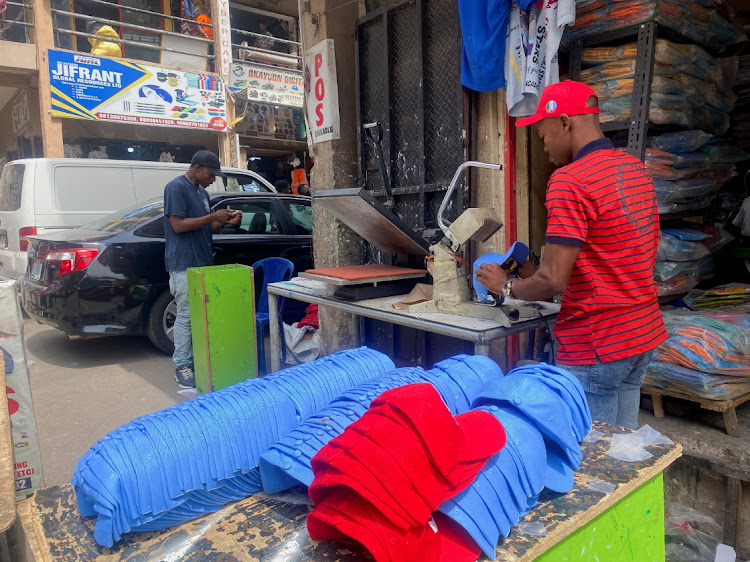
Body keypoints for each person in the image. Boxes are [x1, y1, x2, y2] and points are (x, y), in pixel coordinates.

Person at [474, 80, 668, 429]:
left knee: (590, 461)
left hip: (597, 344)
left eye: (544, 134)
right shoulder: (635, 170)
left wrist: (506, 287)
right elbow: (620, 251)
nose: (544, 146)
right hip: (641, 334)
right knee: (619, 451)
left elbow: (552, 281)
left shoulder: (570, 180)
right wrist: (535, 270)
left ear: (565, 122)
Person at [164, 150, 242, 388]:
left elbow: (206, 228)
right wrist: (211, 217)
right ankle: (182, 366)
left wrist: (225, 220)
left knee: (200, 316)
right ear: (196, 168)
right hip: (183, 264)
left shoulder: (202, 192)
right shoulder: (175, 187)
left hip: (202, 263)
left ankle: (196, 359)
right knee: (186, 316)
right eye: (211, 173)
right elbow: (177, 225)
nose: (213, 178)